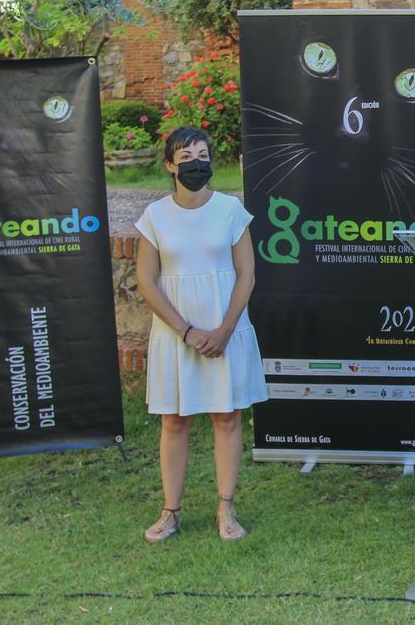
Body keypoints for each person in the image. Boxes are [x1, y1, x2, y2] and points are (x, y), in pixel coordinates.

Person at [135, 127, 268, 542]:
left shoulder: (231, 210)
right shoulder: (154, 216)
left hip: (224, 329)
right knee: (174, 420)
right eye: (187, 156)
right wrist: (187, 331)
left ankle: (226, 509)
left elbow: (247, 273)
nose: (197, 163)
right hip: (176, 335)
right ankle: (170, 511)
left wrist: (224, 330)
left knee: (226, 417)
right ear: (170, 165)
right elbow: (147, 281)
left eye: (203, 154)